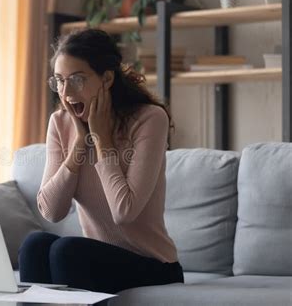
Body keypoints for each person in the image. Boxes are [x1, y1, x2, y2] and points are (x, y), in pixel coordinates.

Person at [18, 29, 184, 294]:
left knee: (66, 251)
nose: (66, 91)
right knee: (34, 245)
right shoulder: (60, 124)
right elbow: (51, 211)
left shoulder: (149, 119)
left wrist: (102, 140)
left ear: (106, 78)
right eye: (60, 81)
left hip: (153, 264)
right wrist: (79, 146)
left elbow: (124, 211)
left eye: (77, 79)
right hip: (97, 260)